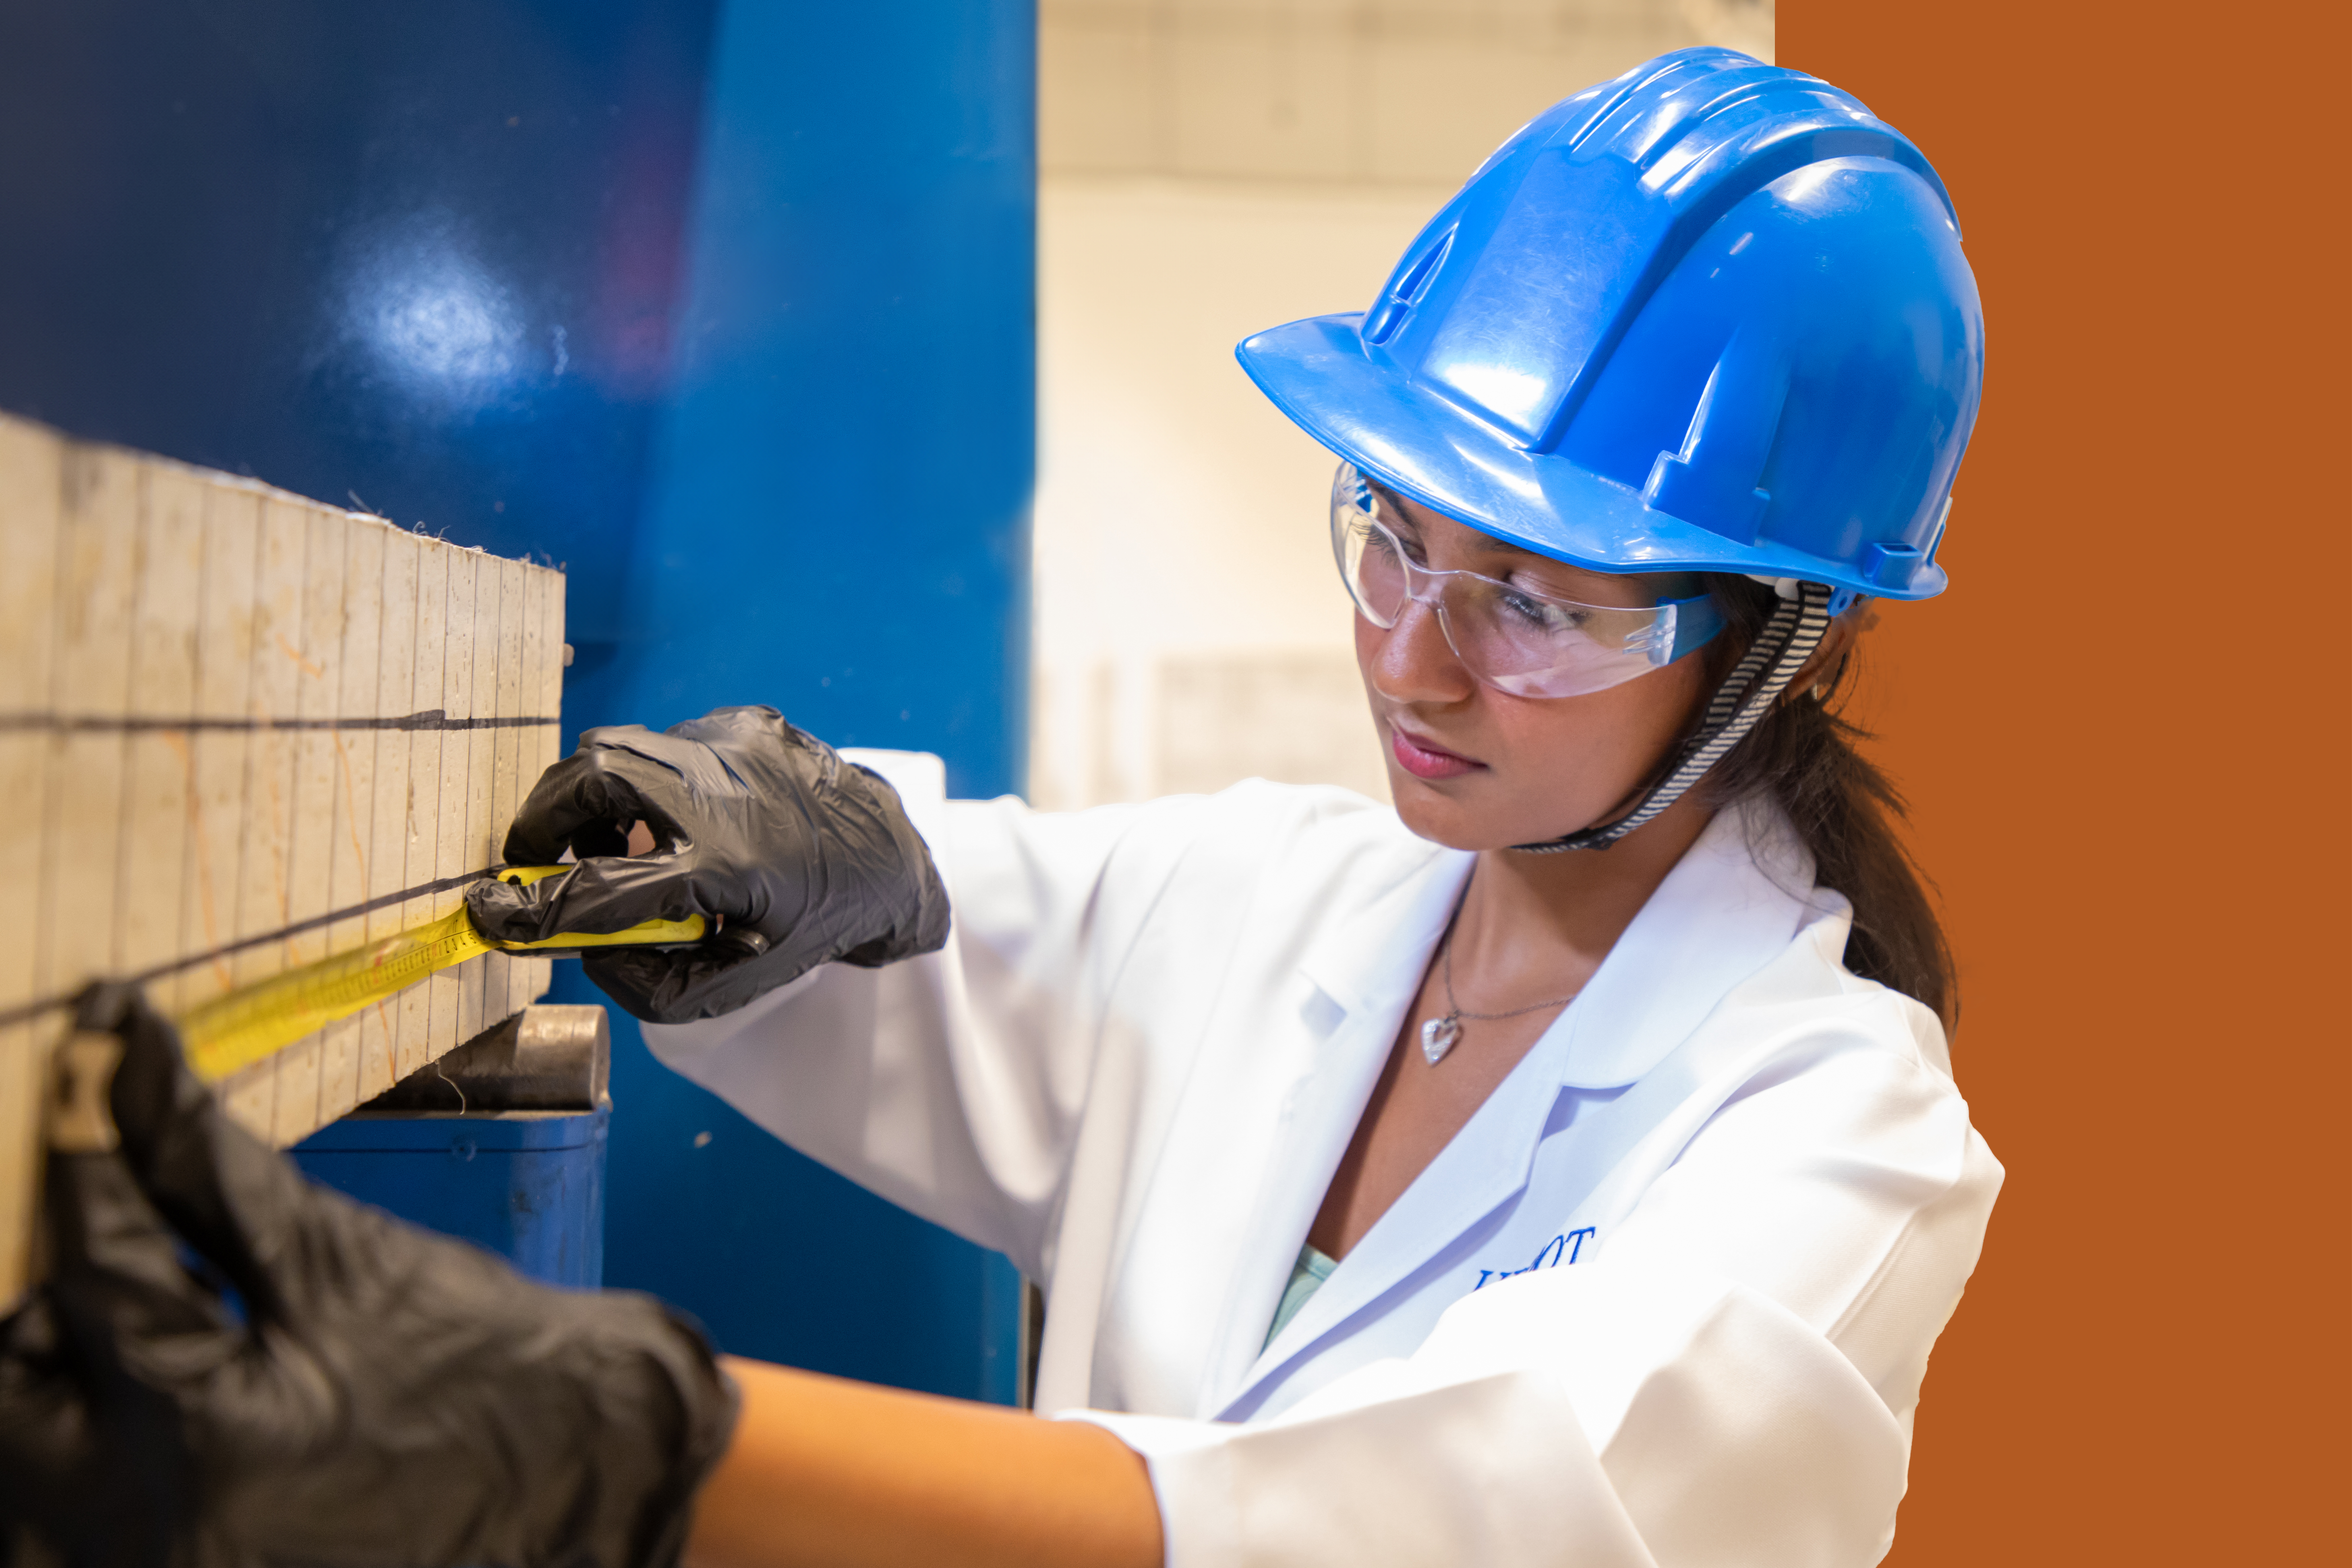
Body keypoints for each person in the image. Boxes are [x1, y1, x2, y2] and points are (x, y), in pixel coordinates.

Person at [2, 48, 1998, 1568]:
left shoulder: (1835, 1138)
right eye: (1388, 537)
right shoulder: (1289, 905)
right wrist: (760, 839)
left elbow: (1466, 1515)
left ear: (1785, 645)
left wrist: (628, 1443)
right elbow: (961, 909)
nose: (1410, 658)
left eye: (1539, 606)